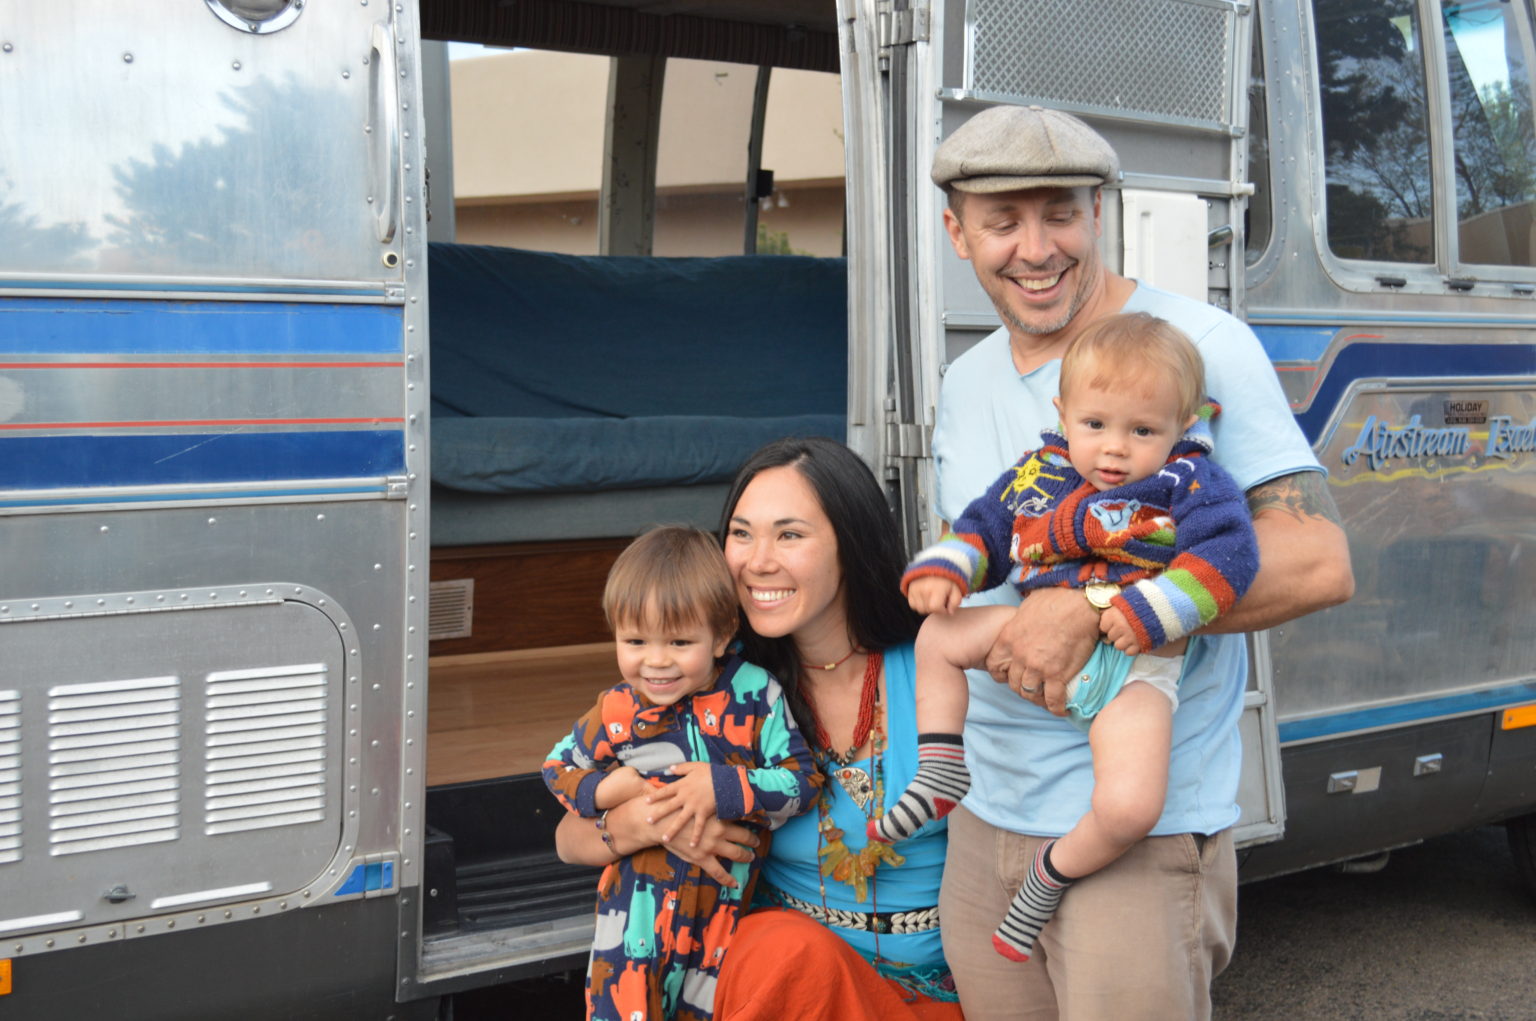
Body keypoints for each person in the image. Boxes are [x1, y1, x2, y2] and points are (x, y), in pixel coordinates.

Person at [928, 105, 1354, 1020]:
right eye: (1002, 222)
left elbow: (1317, 558)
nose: (1036, 248)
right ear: (958, 234)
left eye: (1060, 214)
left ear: (1098, 213)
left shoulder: (1197, 346)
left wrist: (1092, 609)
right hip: (984, 822)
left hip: (1134, 832)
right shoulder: (964, 381)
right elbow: (987, 552)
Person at [876, 313, 1259, 966]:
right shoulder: (1041, 473)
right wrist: (950, 566)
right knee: (937, 636)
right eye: (1095, 424)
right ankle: (941, 765)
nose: (1114, 449)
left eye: (1142, 431)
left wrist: (1153, 608)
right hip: (1031, 631)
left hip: (1133, 664)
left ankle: (1053, 871)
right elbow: (987, 525)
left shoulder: (1190, 482)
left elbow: (1230, 556)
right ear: (1063, 414)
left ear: (1181, 424)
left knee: (1131, 807)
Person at [556, 437, 965, 1021]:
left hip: (931, 987)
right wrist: (654, 820)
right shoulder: (716, 683)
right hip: (782, 981)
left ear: (852, 544)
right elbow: (568, 838)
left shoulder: (935, 664)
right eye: (741, 534)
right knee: (787, 953)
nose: (757, 561)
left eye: (789, 535)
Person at [542, 525, 820, 1021]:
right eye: (635, 640)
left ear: (722, 635)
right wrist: (604, 789)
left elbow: (802, 782)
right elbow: (557, 766)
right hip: (631, 924)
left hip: (721, 923)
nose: (656, 661)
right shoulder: (616, 709)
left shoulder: (756, 694)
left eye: (679, 641)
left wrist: (722, 788)